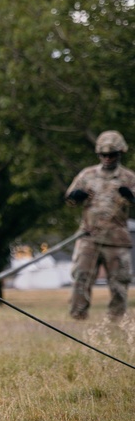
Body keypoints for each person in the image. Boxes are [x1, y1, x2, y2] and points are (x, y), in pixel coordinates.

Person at [64, 130, 135, 321]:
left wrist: (130, 196)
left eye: (112, 154)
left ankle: (116, 320)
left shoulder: (129, 178)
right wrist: (75, 197)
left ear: (120, 154)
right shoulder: (87, 175)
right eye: (103, 155)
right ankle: (78, 317)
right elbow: (70, 200)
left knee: (120, 283)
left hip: (117, 239)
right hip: (89, 236)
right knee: (81, 277)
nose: (108, 158)